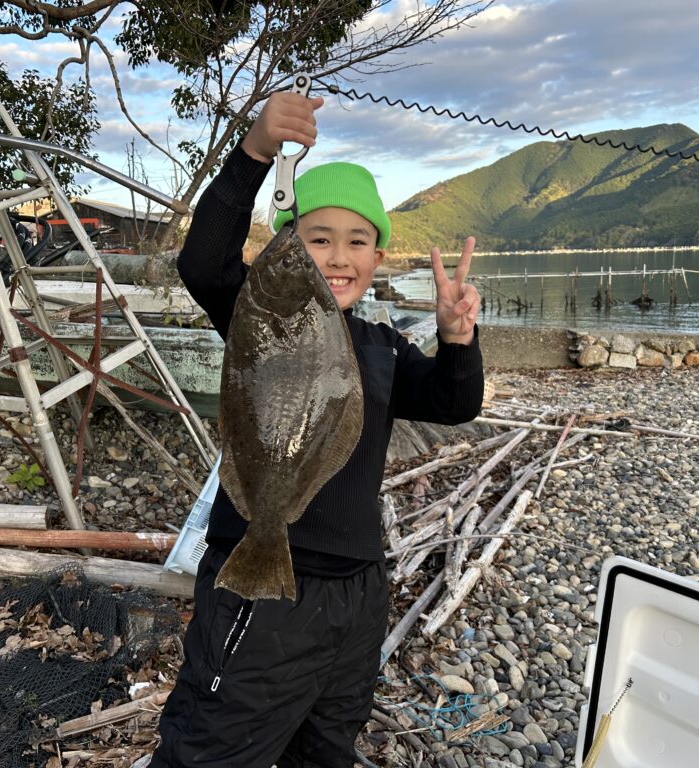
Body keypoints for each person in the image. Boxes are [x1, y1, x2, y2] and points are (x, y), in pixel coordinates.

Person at [149, 91, 484, 768]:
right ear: (286, 246)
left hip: (357, 596)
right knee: (214, 747)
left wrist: (456, 339)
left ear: (378, 259)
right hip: (261, 587)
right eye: (318, 238)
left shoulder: (382, 347)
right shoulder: (261, 316)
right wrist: (254, 153)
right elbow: (203, 263)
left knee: (326, 748)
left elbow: (455, 403)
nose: (338, 256)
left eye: (357, 242)